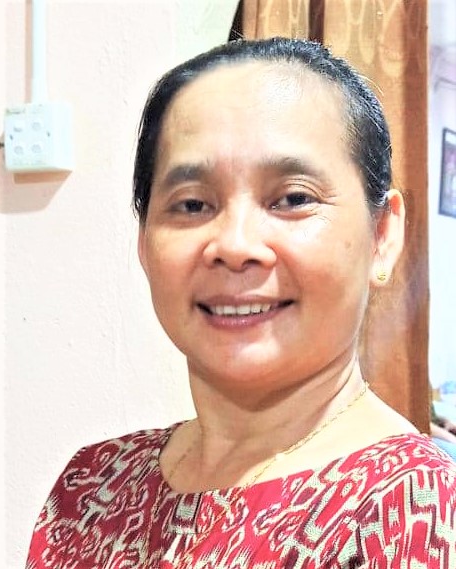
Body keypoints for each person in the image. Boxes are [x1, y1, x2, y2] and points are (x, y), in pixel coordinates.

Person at [25, 37, 456, 568]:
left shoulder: (413, 511)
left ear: (383, 234)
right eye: (192, 204)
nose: (234, 245)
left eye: (293, 198)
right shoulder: (93, 486)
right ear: (143, 240)